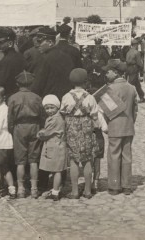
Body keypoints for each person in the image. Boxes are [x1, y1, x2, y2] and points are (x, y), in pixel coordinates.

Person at [61, 68, 105, 199]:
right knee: (87, 160)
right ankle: (87, 190)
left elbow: (62, 113)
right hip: (86, 128)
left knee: (74, 160)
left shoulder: (66, 97)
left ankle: (74, 191)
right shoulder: (90, 97)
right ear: (86, 82)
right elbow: (95, 116)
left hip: (72, 128)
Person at [7, 71, 45, 199]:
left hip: (19, 128)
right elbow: (42, 116)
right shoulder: (37, 98)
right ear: (31, 83)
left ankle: (21, 189)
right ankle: (34, 189)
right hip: (34, 126)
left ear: (18, 83)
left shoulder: (12, 98)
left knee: (20, 161)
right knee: (34, 160)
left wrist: (12, 130)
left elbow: (10, 118)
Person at [102, 60, 137, 195]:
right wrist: (131, 122)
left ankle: (115, 186)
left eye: (108, 71)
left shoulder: (110, 89)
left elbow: (105, 112)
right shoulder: (131, 87)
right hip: (128, 127)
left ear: (115, 73)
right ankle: (127, 185)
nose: (106, 73)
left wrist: (106, 124)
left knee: (114, 155)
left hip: (114, 127)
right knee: (127, 155)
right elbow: (135, 110)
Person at [37, 95, 67, 201]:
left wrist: (39, 134)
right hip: (59, 146)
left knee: (56, 170)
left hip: (54, 146)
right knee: (57, 170)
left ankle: (55, 191)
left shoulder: (54, 119)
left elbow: (46, 133)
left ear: (57, 107)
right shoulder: (58, 117)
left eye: (52, 107)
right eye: (47, 108)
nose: (49, 110)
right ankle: (55, 191)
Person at [31, 27, 74, 100]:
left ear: (50, 43)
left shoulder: (44, 58)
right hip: (66, 100)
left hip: (49, 102)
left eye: (39, 42)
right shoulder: (67, 57)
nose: (37, 45)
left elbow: (37, 85)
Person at [0, 28, 26, 97]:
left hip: (8, 97)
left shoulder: (6, 61)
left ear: (10, 43)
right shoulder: (20, 57)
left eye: (0, 42)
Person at [126, 39, 145, 103]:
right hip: (134, 69)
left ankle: (141, 97)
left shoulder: (128, 52)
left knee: (137, 84)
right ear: (135, 45)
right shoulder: (136, 52)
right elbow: (139, 63)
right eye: (137, 45)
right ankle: (127, 98)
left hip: (128, 68)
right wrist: (142, 69)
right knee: (131, 84)